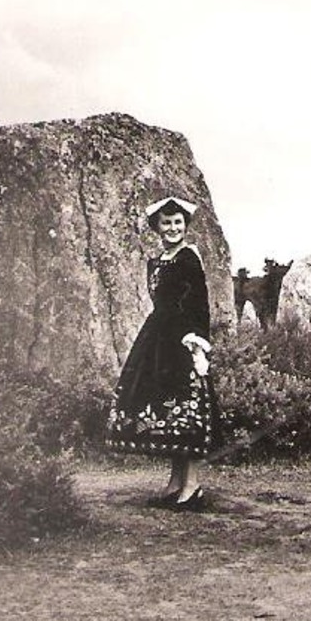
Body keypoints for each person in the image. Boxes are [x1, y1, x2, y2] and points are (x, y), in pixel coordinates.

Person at [105, 196, 220, 511]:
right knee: (168, 411)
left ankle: (193, 485)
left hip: (183, 340)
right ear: (157, 227)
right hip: (158, 341)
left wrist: (197, 341)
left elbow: (199, 302)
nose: (173, 228)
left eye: (178, 222)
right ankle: (175, 482)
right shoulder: (157, 260)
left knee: (189, 409)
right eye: (166, 223)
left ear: (185, 225)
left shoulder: (188, 258)